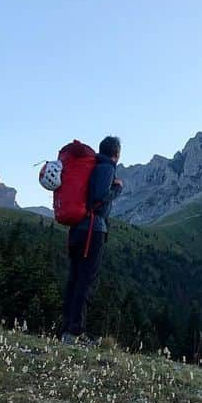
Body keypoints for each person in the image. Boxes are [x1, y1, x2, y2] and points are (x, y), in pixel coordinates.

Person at [61, 135, 123, 345]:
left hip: (77, 228)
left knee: (75, 278)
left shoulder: (90, 165)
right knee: (86, 281)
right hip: (92, 231)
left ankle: (67, 328)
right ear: (116, 153)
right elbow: (100, 198)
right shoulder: (107, 167)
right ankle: (75, 332)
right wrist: (117, 189)